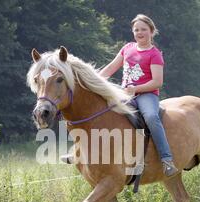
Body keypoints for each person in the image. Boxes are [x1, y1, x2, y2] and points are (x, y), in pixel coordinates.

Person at [62, 14, 178, 177]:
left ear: (152, 32)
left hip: (146, 95)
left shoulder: (154, 54)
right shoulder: (127, 48)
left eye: (143, 29)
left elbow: (157, 82)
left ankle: (166, 160)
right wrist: (92, 84)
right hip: (124, 94)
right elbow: (110, 69)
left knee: (151, 117)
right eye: (136, 29)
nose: (140, 32)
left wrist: (136, 89)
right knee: (98, 114)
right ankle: (78, 152)